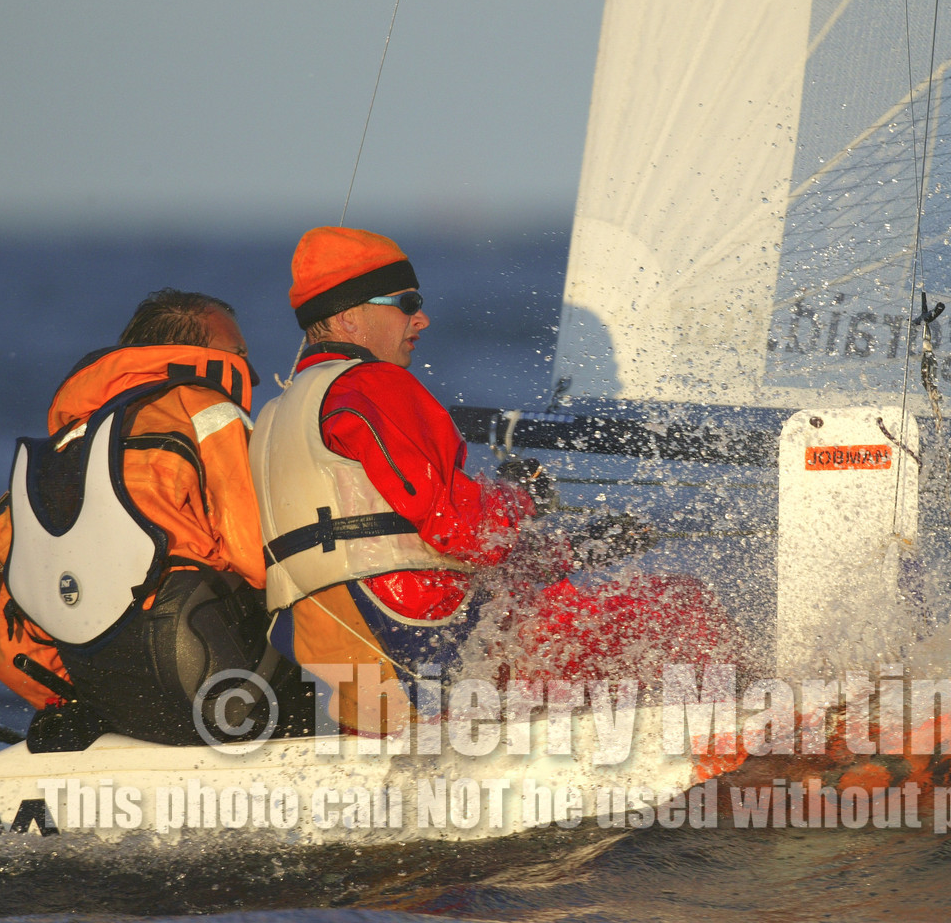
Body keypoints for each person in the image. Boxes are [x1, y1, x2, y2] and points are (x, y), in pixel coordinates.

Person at [251, 227, 653, 732]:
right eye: (405, 302)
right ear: (348, 316)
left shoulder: (274, 414)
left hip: (336, 650)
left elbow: (393, 537)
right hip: (417, 634)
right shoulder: (372, 385)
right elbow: (459, 530)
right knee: (673, 612)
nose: (422, 317)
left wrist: (568, 550)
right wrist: (523, 496)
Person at [0, 289, 304, 751]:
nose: (254, 373)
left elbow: (15, 652)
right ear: (197, 355)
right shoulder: (207, 409)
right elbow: (260, 560)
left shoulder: (60, 452)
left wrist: (69, 704)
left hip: (110, 707)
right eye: (239, 354)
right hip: (224, 697)